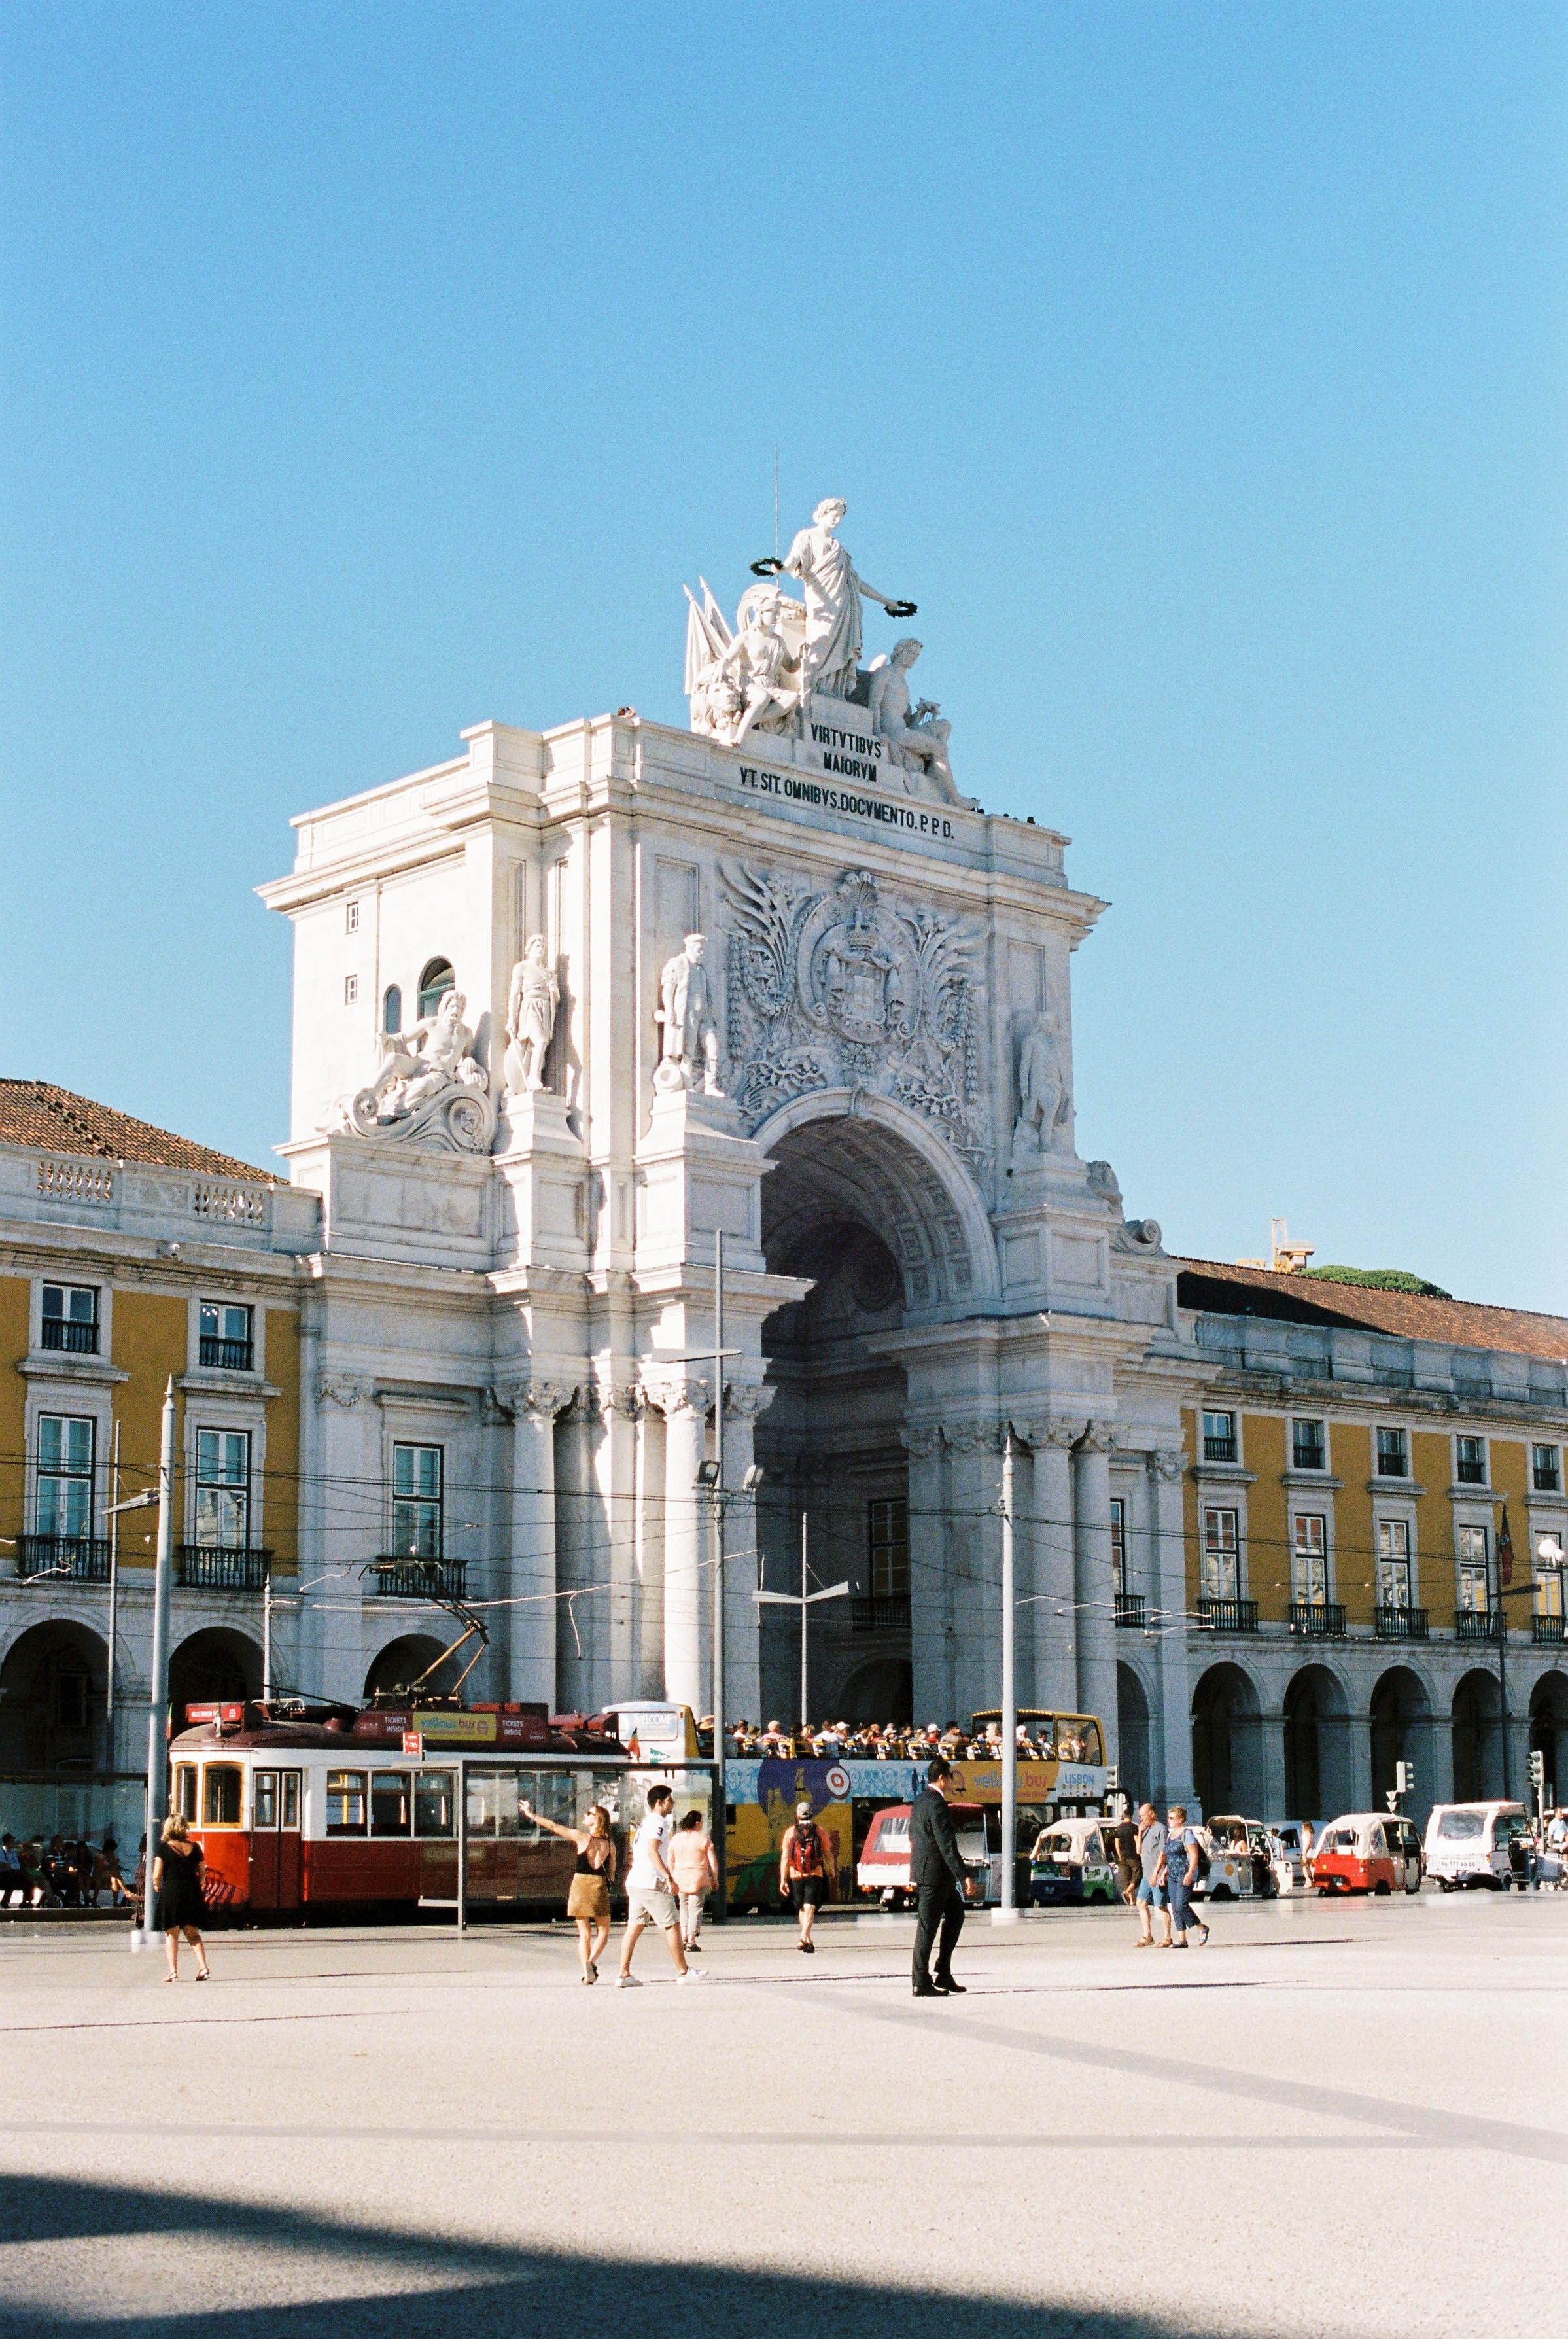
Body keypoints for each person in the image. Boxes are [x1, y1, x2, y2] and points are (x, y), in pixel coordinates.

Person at [522, 1797, 616, 1984]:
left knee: (585, 1934)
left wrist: (531, 1815)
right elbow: (611, 1872)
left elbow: (555, 1826)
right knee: (604, 1931)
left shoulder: (582, 1837)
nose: (585, 1815)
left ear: (597, 1819)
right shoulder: (610, 1844)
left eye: (589, 1813)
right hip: (599, 1886)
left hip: (580, 1885)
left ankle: (586, 1971)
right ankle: (592, 1962)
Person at [617, 1784, 703, 1988]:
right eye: (670, 1800)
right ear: (660, 1803)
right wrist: (667, 1878)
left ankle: (624, 1974)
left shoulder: (645, 1823)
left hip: (636, 1882)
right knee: (673, 1925)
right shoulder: (659, 1823)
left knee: (634, 1927)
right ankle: (684, 1971)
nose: (672, 1804)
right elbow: (653, 1850)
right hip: (651, 1882)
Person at [909, 1756, 978, 1997]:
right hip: (935, 1875)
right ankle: (920, 1980)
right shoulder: (937, 1804)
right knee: (927, 1927)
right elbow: (946, 1843)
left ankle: (944, 1972)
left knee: (956, 1915)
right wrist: (964, 1876)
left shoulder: (919, 1801)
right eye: (950, 1776)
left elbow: (913, 1837)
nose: (952, 1781)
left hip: (931, 1872)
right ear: (942, 1778)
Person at [152, 1814, 211, 1981]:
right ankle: (204, 1968)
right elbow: (203, 1874)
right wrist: (196, 1886)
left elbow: (157, 1874)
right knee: (193, 1934)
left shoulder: (163, 1848)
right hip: (191, 1893)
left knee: (172, 1934)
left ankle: (173, 1972)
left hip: (172, 1892)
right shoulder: (195, 1848)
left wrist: (157, 1886)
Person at [778, 1799, 837, 1956]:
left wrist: (783, 1879)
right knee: (810, 1905)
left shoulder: (790, 1832)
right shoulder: (819, 1830)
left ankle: (806, 1939)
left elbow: (785, 1857)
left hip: (795, 1873)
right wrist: (831, 1869)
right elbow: (828, 1854)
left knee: (802, 1907)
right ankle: (804, 1937)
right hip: (815, 1873)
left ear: (797, 1815)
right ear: (811, 1814)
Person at [669, 1808, 719, 1954]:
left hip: (680, 1878)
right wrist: (714, 1878)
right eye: (702, 1822)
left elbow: (670, 1861)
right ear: (697, 1823)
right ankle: (692, 1940)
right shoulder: (703, 1839)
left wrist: (672, 1876)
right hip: (697, 1878)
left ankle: (684, 1938)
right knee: (695, 1909)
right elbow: (713, 1861)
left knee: (683, 1908)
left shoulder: (676, 1838)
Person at [1163, 1806, 1210, 1949]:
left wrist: (1190, 1873)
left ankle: (1202, 1927)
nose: (1169, 1820)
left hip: (1185, 1873)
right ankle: (1182, 1939)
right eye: (1168, 1818)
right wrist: (1164, 1873)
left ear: (1181, 1819)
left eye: (1172, 1818)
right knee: (1175, 1908)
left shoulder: (1187, 1834)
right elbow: (1169, 1856)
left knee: (1181, 1905)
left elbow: (1194, 1856)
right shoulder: (1170, 1835)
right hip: (1172, 1875)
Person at [1134, 1802, 1172, 1948]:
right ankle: (1147, 1935)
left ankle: (1167, 1937)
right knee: (1141, 1903)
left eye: (1143, 1816)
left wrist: (1157, 1873)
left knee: (1161, 1906)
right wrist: (1140, 1833)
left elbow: (1163, 1853)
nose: (1141, 1819)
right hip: (1147, 1874)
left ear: (1152, 1814)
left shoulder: (1160, 1829)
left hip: (1157, 1873)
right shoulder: (1146, 1830)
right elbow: (1139, 1851)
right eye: (1140, 1817)